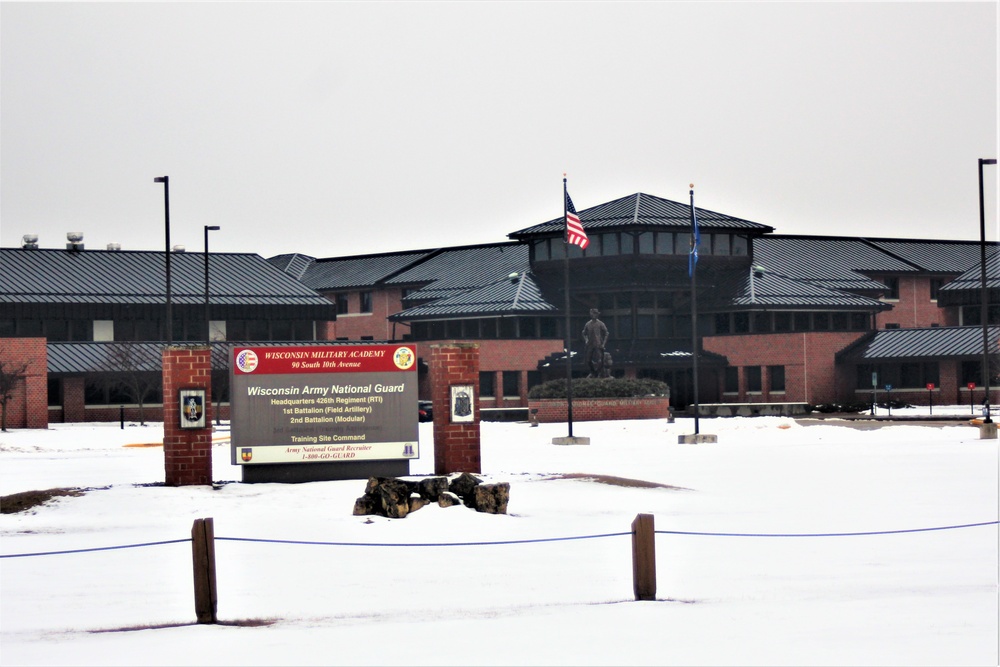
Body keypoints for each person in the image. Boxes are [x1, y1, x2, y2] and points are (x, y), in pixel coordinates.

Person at [582, 308, 609, 378]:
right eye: (593, 313)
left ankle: (597, 372)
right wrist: (586, 340)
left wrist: (603, 344)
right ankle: (593, 372)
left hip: (598, 344)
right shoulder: (588, 324)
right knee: (588, 360)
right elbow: (584, 333)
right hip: (590, 344)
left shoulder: (600, 323)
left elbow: (606, 333)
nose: (594, 315)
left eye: (595, 314)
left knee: (600, 360)